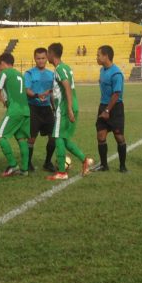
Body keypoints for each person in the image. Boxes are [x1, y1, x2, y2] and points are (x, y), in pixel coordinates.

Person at [46, 42, 92, 180]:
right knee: (64, 138)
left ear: (52, 54)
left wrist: (69, 108)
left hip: (65, 108)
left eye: (48, 53)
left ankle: (61, 172)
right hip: (69, 106)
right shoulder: (66, 67)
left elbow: (66, 86)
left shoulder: (59, 69)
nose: (47, 55)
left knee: (58, 137)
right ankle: (85, 160)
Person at [0, 52, 31, 177]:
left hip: (15, 110)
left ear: (2, 63)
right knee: (21, 139)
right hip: (25, 110)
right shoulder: (19, 74)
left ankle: (13, 165)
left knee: (0, 136)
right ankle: (24, 169)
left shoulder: (4, 73)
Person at [94, 45, 128, 172]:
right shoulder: (102, 70)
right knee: (101, 136)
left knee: (119, 137)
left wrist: (107, 110)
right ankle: (104, 165)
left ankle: (122, 166)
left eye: (98, 55)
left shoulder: (116, 73)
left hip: (115, 108)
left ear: (106, 56)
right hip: (103, 106)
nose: (96, 57)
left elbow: (116, 94)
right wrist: (104, 108)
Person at [24, 47, 57, 173]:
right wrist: (38, 95)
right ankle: (28, 162)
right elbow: (27, 90)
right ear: (35, 59)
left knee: (52, 137)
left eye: (43, 58)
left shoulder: (51, 74)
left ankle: (47, 162)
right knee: (32, 138)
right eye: (38, 58)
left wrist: (54, 108)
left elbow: (52, 93)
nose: (41, 60)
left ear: (46, 58)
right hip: (33, 108)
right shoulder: (29, 73)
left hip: (47, 109)